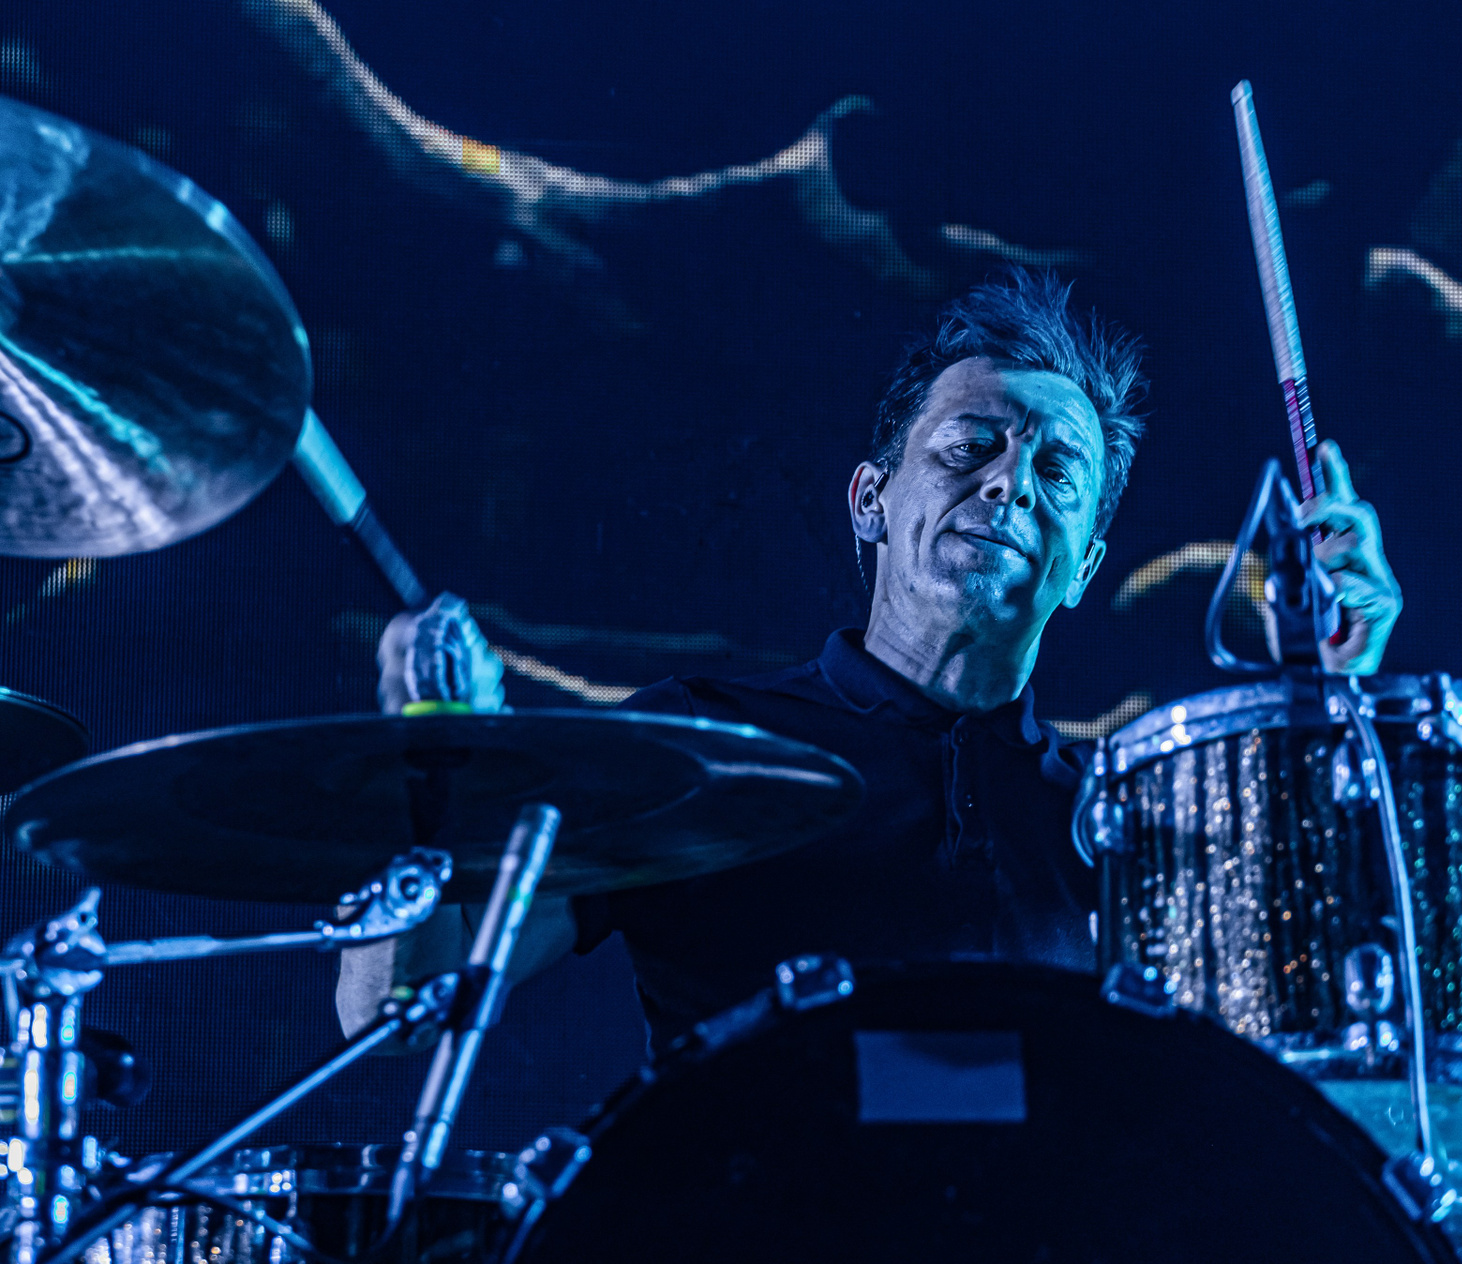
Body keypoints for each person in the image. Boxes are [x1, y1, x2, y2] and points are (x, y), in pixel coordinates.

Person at [335, 269, 1402, 1050]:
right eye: (971, 444)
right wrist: (430, 765)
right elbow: (395, 1008)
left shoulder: (1121, 822)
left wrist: (1339, 699)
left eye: (1058, 473)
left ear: (1085, 567)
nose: (1007, 484)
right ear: (871, 500)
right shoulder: (696, 746)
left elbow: (1325, 1034)